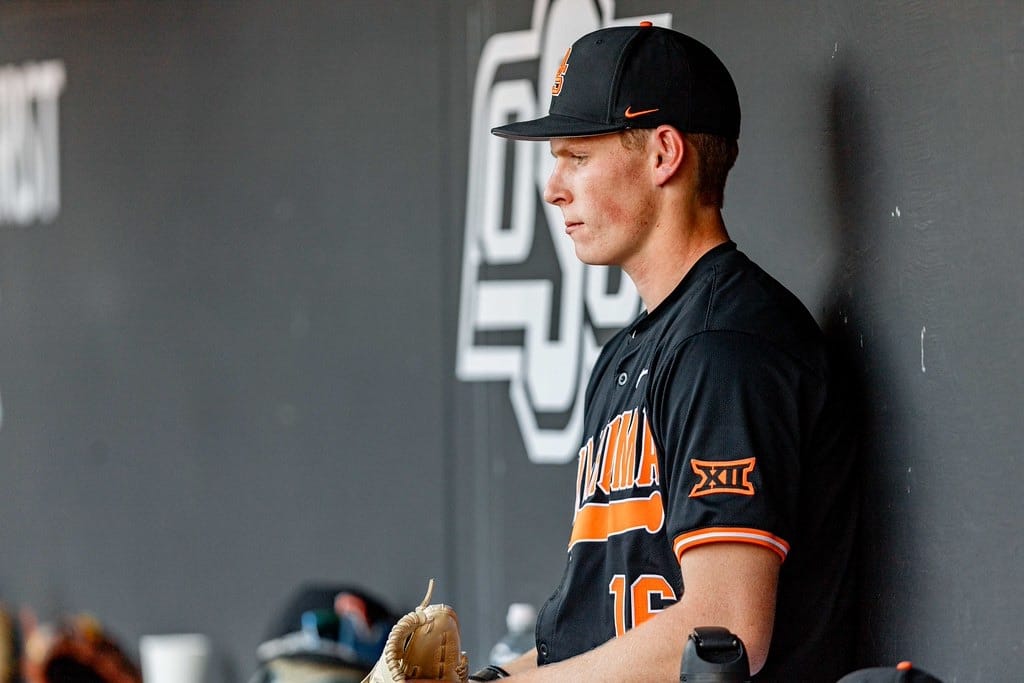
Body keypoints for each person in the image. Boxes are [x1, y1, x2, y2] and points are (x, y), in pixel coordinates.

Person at [457, 22, 858, 682]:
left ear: (664, 154)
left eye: (576, 158)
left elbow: (723, 633)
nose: (553, 187)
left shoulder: (728, 348)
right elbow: (589, 632)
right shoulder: (628, 353)